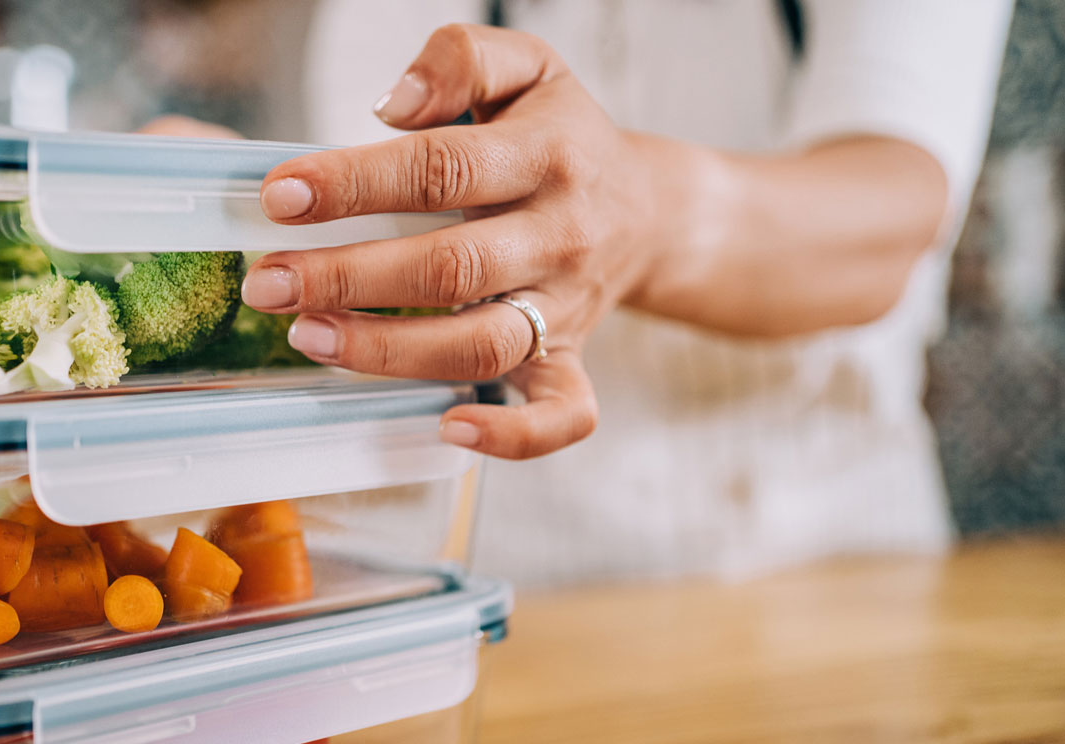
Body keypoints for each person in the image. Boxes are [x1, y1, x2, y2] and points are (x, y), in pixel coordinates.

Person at [151, 1, 1014, 582]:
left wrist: (640, 214)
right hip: (493, 578)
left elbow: (893, 210)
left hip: (826, 576)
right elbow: (404, 217)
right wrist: (254, 214)